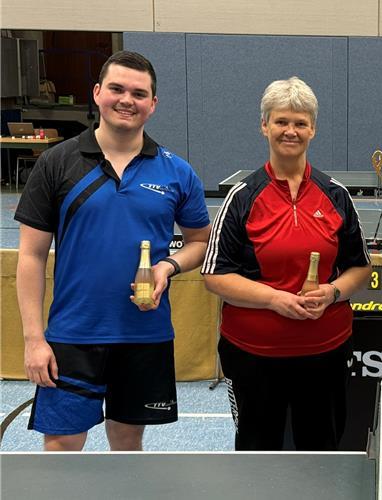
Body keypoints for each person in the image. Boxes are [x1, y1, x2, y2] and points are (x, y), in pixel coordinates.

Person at [15, 50, 211, 451]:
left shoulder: (177, 171)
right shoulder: (56, 163)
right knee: (62, 446)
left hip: (145, 335)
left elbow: (200, 241)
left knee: (126, 446)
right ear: (97, 93)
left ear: (153, 104)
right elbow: (31, 256)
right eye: (117, 89)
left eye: (139, 93)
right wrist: (34, 339)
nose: (127, 100)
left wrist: (168, 267)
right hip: (73, 334)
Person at [201, 76, 371, 451]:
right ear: (265, 126)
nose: (290, 131)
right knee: (258, 456)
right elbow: (214, 274)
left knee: (322, 452)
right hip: (253, 356)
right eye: (281, 121)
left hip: (325, 353)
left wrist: (333, 292)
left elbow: (360, 267)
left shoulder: (335, 195)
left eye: (300, 122)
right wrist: (274, 299)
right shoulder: (241, 197)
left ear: (313, 129)